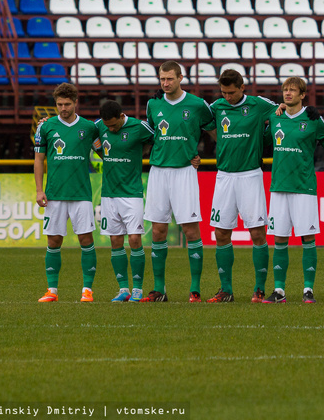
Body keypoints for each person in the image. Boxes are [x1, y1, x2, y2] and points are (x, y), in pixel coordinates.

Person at [142, 61, 214, 303]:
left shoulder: (197, 105)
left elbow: (215, 131)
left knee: (191, 230)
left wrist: (201, 155)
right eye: (162, 79)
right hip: (158, 172)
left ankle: (194, 290)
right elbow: (151, 133)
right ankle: (159, 289)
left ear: (181, 78)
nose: (165, 83)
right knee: (159, 230)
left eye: (170, 79)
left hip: (184, 172)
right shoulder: (153, 104)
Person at [206, 69, 278, 304]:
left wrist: (262, 137)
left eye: (231, 92)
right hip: (224, 176)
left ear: (242, 87)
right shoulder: (217, 107)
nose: (227, 97)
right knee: (221, 232)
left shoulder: (258, 105)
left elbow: (282, 112)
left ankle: (259, 289)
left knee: (257, 232)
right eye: (223, 92)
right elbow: (205, 124)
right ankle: (226, 290)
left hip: (250, 176)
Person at [264, 77, 324, 303]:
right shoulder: (275, 117)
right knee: (280, 239)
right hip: (279, 187)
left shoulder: (313, 120)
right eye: (285, 90)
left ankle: (308, 289)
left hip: (304, 187)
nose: (288, 93)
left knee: (307, 237)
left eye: (293, 90)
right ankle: (279, 290)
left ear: (303, 95)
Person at [35, 83, 99, 302]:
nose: (63, 108)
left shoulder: (89, 127)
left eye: (67, 104)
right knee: (53, 241)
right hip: (54, 194)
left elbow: (105, 144)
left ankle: (87, 290)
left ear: (75, 103)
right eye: (59, 104)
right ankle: (52, 291)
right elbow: (39, 159)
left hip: (81, 194)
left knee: (86, 239)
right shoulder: (45, 127)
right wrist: (38, 190)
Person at [94, 101, 155, 302]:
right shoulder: (99, 125)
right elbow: (81, 130)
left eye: (113, 125)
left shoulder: (139, 127)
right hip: (108, 193)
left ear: (122, 116)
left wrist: (144, 151)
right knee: (115, 241)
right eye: (107, 126)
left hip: (132, 193)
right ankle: (123, 289)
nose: (110, 129)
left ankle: (137, 288)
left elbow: (159, 139)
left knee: (135, 239)